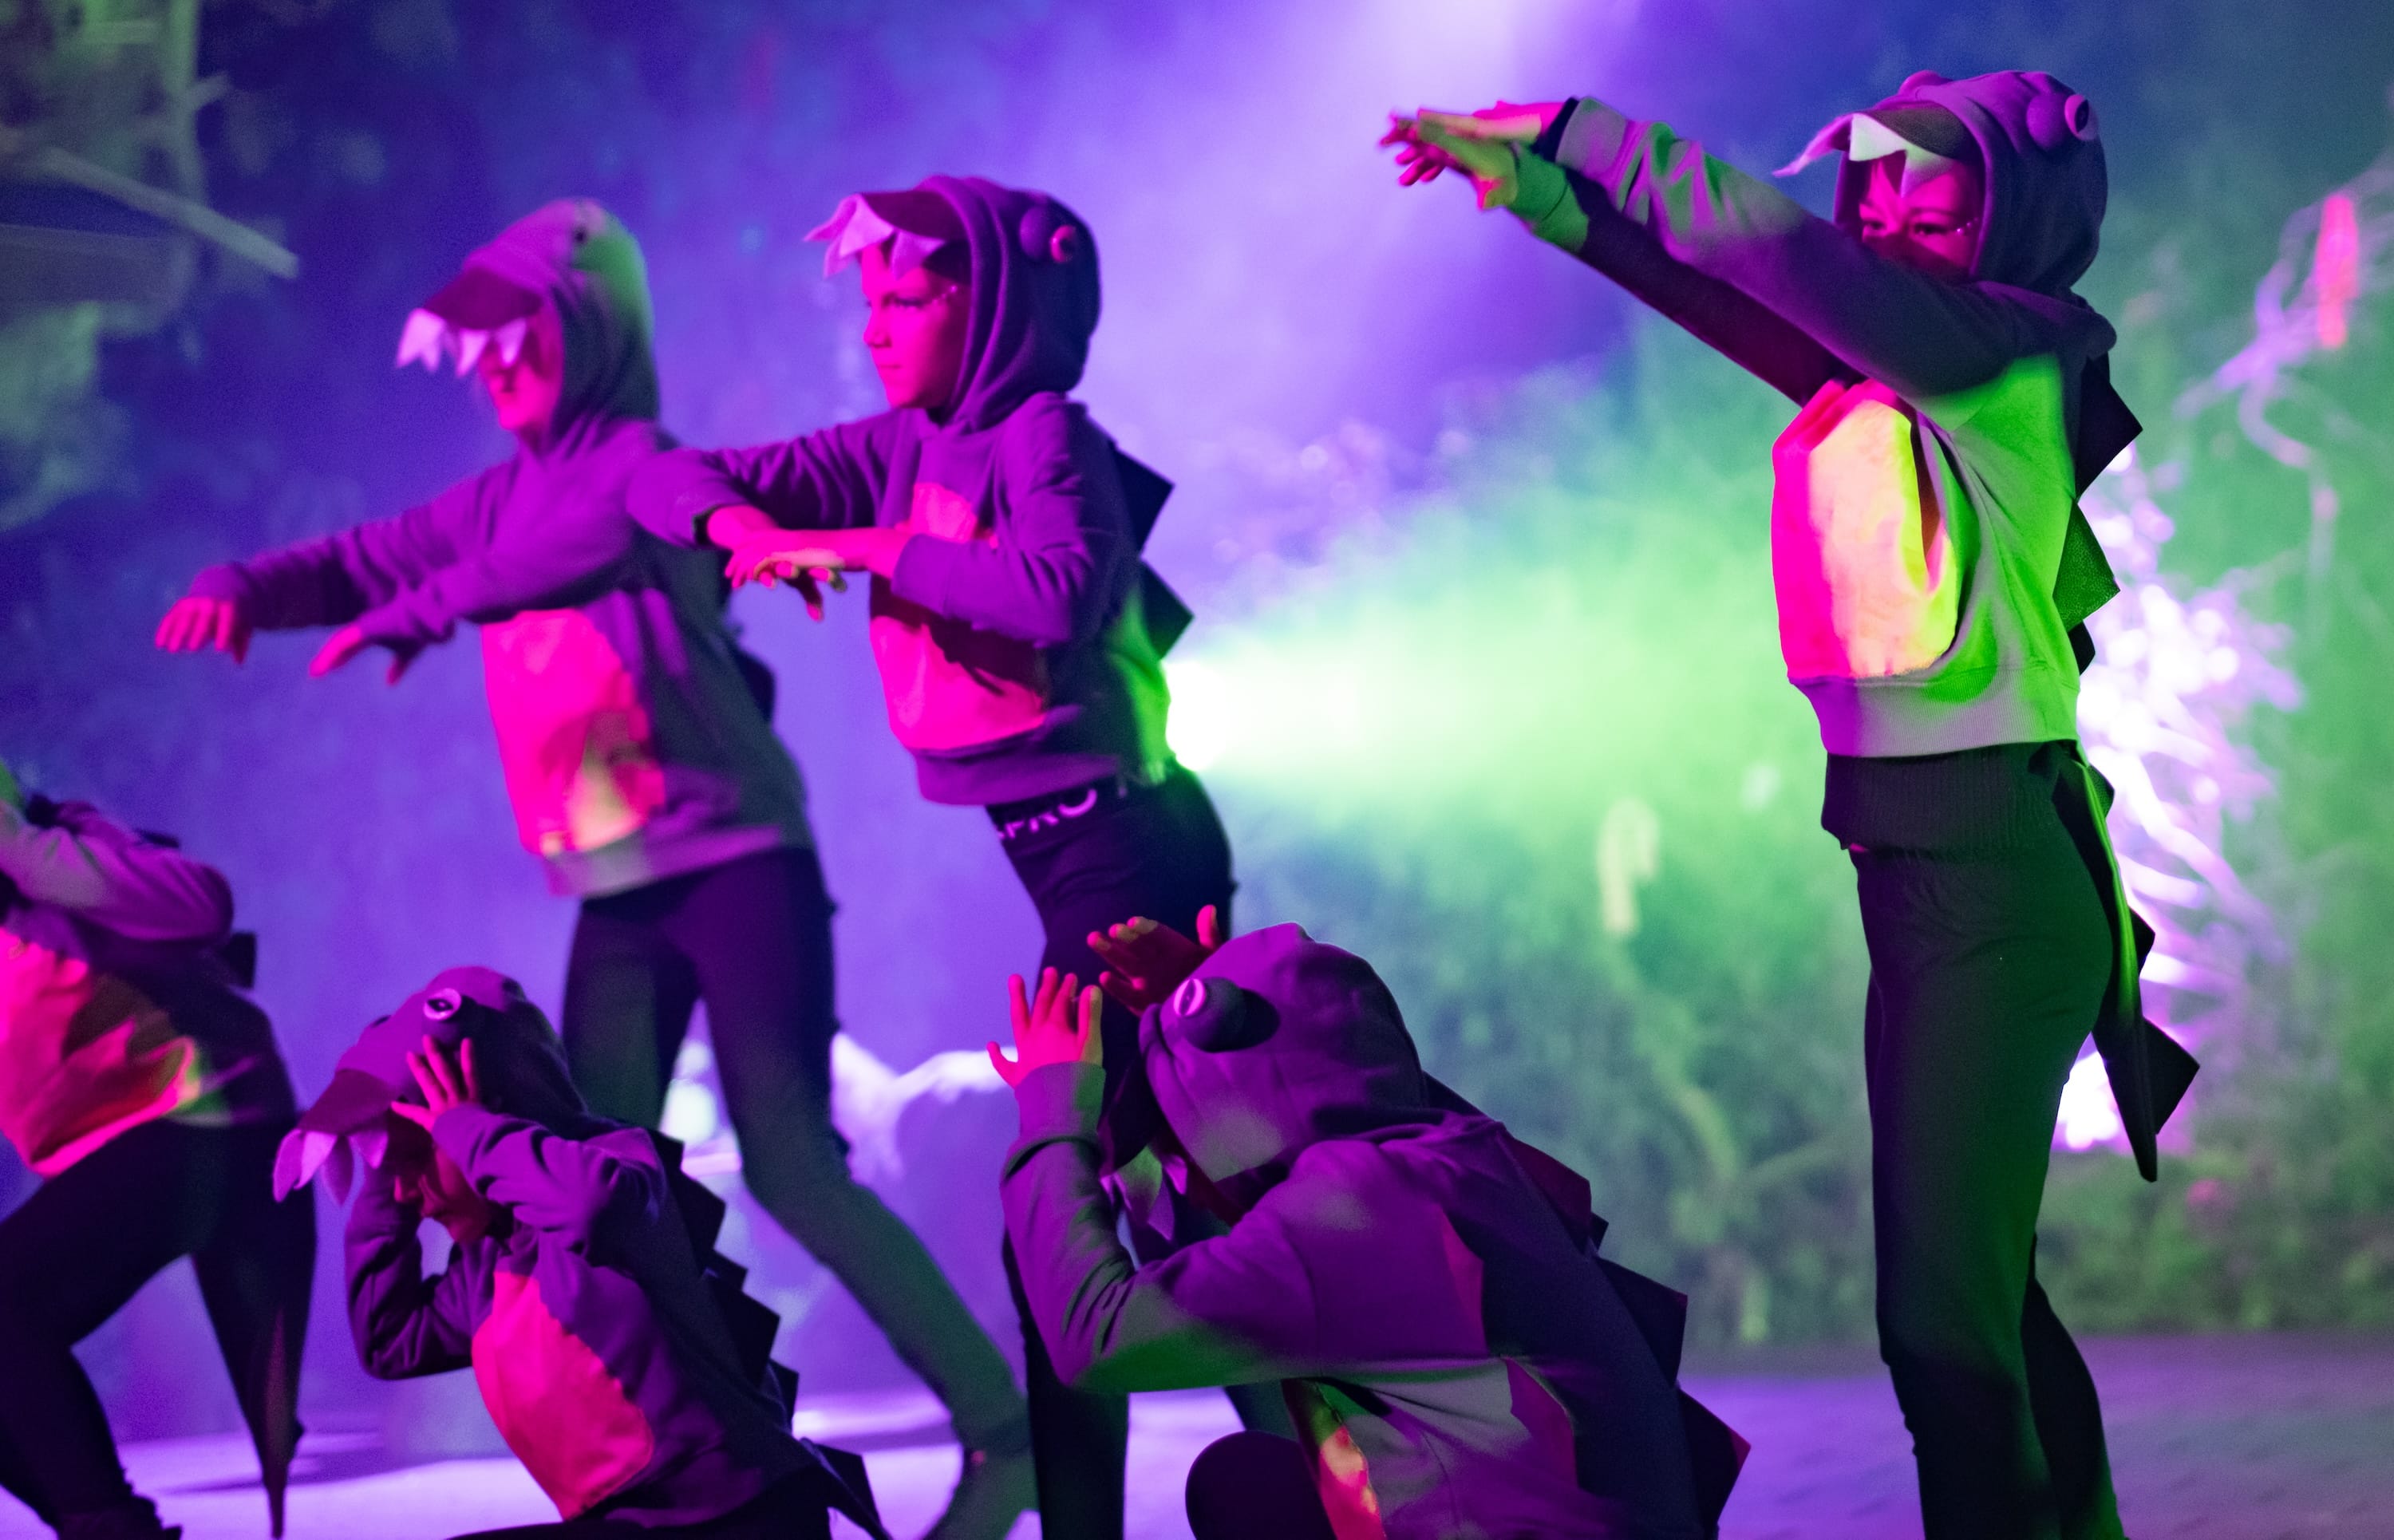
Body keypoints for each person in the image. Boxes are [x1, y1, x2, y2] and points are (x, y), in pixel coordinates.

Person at [1384, 72, 2199, 1540]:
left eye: (1926, 193)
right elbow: (1718, 289)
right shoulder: (1902, 366)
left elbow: (1773, 254)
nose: (1883, 211)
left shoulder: (2005, 355)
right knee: (1981, 1304)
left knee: (1943, 1331)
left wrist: (1580, 130)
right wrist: (1541, 197)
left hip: (2000, 889)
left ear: (2015, 217)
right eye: (1872, 184)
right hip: (1933, 877)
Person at [152, 199, 1027, 1536]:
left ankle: (1000, 1427)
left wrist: (428, 609)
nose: (498, 367)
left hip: (738, 866)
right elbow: (371, 553)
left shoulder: (634, 465)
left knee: (792, 1165)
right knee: (582, 1186)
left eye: (524, 339)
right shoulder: (499, 492)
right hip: (614, 893)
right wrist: (248, 587)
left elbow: (574, 552)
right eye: (481, 349)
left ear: (590, 326)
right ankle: (711, 1462)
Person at [626, 176, 1265, 1539]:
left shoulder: (1042, 438)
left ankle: (1324, 1466)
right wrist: (748, 530)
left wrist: (853, 545)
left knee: (1095, 1215)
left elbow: (1058, 595)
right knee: (1164, 1203)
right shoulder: (903, 443)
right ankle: (1324, 1465)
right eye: (867, 297)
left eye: (909, 294)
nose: (878, 321)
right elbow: (665, 477)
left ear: (997, 305)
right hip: (1071, 866)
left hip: (1130, 864)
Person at [987, 926, 1744, 1539]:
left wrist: (1056, 1122)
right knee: (1254, 1487)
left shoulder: (1351, 1214)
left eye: (1180, 1151)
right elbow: (1350, 1066)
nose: (1182, 1183)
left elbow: (1098, 1338)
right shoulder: (1452, 1153)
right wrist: (1211, 1017)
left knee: (1242, 1489)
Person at [276, 965, 885, 1540]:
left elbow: (593, 1207)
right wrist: (384, 1178)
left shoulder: (621, 1167)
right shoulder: (485, 1268)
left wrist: (465, 1130)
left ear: (494, 1109)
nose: (411, 1193)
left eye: (415, 1161)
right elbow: (391, 1339)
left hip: (742, 1517)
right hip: (637, 1527)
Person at [0, 760, 313, 1540]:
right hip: (131, 1151)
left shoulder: (60, 857)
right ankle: (105, 1523)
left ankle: (108, 1524)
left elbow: (203, 904)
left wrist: (22, 843)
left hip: (210, 1119)